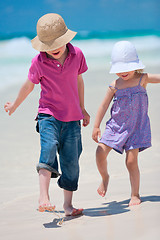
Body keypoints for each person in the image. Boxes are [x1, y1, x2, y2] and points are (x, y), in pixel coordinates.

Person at [4, 13, 90, 216]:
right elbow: (29, 86)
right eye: (48, 45)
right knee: (48, 148)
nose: (53, 48)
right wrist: (15, 104)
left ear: (65, 38)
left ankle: (68, 206)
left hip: (72, 118)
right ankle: (43, 197)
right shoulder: (39, 61)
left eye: (56, 43)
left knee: (71, 161)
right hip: (48, 115)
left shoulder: (77, 54)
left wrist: (83, 108)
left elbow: (79, 81)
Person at [92, 40, 160, 206]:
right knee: (100, 152)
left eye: (126, 68)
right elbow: (103, 105)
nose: (122, 73)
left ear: (136, 65)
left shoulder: (142, 79)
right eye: (118, 69)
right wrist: (96, 126)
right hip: (115, 127)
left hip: (136, 127)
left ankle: (135, 194)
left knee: (131, 161)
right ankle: (105, 177)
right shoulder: (115, 85)